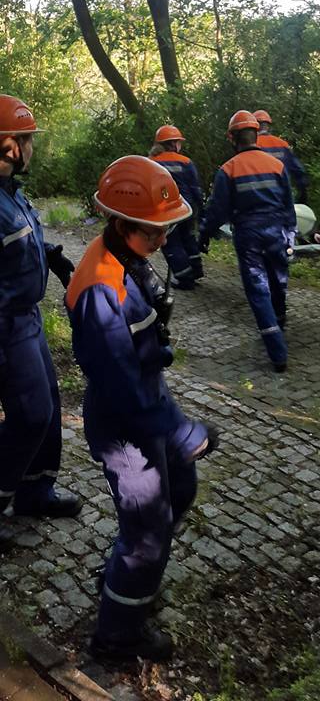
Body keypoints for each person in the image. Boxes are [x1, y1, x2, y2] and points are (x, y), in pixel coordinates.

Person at [65, 156, 218, 661]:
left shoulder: (128, 256)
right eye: (155, 232)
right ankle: (117, 637)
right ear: (121, 223)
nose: (164, 240)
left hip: (148, 399)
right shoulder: (99, 291)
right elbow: (118, 386)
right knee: (148, 530)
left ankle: (129, 570)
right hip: (124, 426)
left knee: (182, 489)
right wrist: (179, 432)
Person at [0, 94, 81, 553]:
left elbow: (21, 239)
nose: (32, 148)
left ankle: (35, 492)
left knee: (47, 408)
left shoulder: (11, 192)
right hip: (6, 327)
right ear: (8, 146)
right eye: (27, 139)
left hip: (27, 319)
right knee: (30, 417)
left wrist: (52, 257)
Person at [200, 111, 296, 372]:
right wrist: (291, 235)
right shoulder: (277, 166)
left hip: (248, 234)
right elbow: (289, 207)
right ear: (256, 134)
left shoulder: (228, 170)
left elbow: (217, 211)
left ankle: (277, 351)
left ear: (232, 137)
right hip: (276, 230)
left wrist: (204, 235)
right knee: (277, 280)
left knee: (258, 290)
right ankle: (279, 319)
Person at [149, 125, 204, 289]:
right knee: (188, 238)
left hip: (166, 211)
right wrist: (200, 208)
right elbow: (196, 188)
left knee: (171, 243)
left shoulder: (151, 162)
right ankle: (195, 272)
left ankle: (184, 279)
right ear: (174, 143)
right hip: (186, 209)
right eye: (179, 142)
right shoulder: (186, 162)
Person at [253, 109, 308, 203]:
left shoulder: (252, 145)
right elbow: (298, 170)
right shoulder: (282, 144)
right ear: (268, 126)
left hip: (258, 197)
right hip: (282, 196)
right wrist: (303, 193)